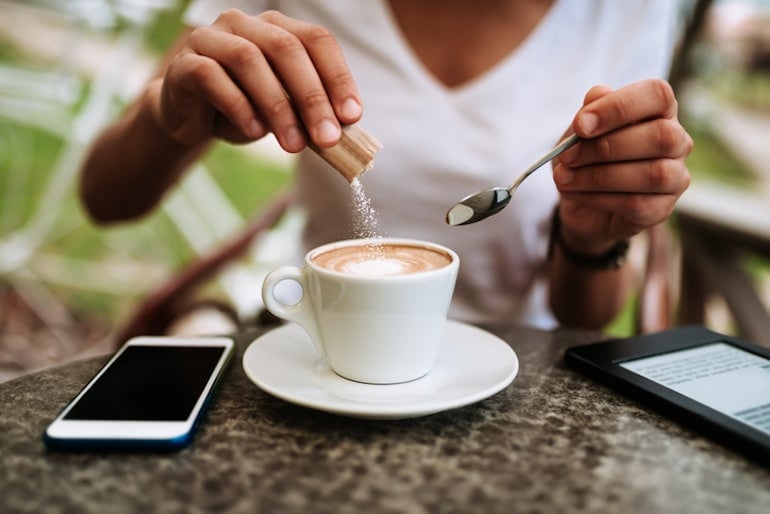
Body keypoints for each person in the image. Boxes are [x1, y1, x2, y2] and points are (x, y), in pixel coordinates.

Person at [80, 0, 692, 331]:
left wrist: (590, 237)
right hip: (321, 350)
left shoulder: (631, 10)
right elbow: (106, 199)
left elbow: (588, 314)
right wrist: (166, 123)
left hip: (516, 375)